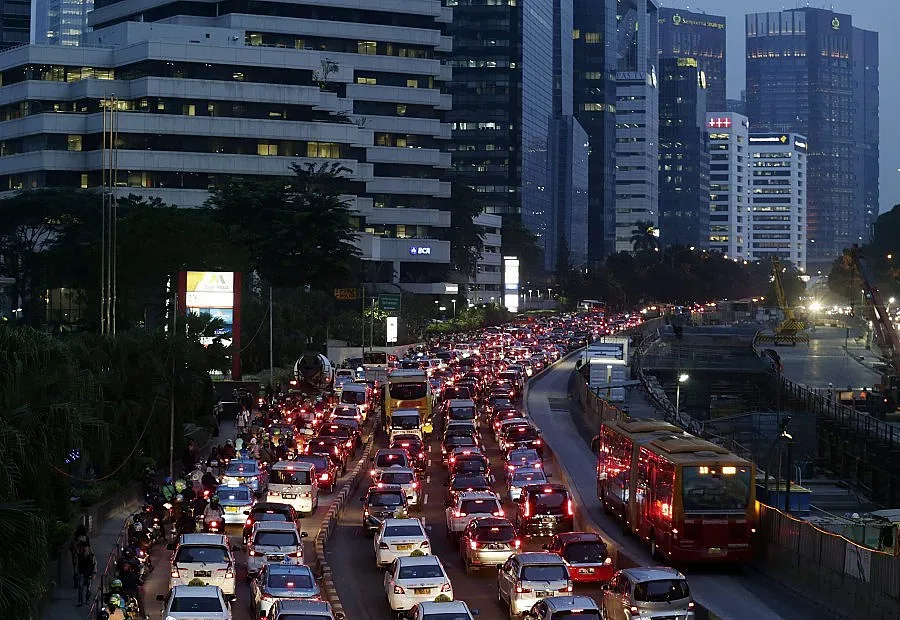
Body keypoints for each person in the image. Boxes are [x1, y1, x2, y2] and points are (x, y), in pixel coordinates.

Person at [74, 542, 96, 606]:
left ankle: (87, 600)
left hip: (89, 574)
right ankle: (80, 601)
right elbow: (77, 564)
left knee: (88, 588)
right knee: (80, 587)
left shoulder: (92, 556)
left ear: (88, 548)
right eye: (84, 548)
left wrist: (94, 573)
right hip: (82, 573)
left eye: (86, 548)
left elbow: (95, 564)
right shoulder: (80, 555)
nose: (85, 549)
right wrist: (77, 573)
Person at [69, 523, 89, 587]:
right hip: (83, 556)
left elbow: (71, 548)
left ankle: (76, 582)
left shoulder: (74, 539)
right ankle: (86, 580)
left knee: (75, 568)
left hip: (75, 556)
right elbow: (87, 548)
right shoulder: (86, 538)